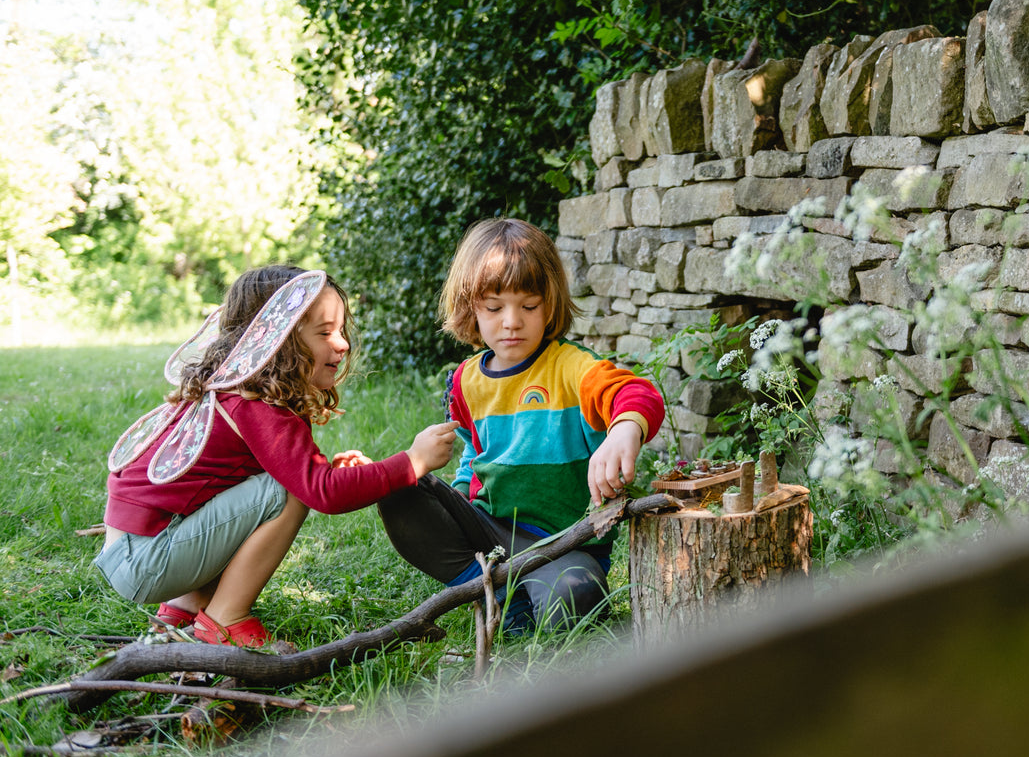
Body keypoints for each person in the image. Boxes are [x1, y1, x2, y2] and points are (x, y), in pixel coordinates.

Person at [97, 265, 456, 648]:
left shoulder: (232, 388)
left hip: (135, 552)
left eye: (340, 330)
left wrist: (327, 472)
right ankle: (224, 619)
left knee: (281, 484)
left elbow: (254, 480)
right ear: (279, 341)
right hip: (146, 561)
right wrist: (413, 461)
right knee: (286, 492)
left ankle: (186, 605)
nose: (342, 344)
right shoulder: (256, 404)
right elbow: (322, 492)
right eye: (325, 333)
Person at [379, 218, 664, 634]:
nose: (512, 321)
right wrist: (456, 503)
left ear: (549, 305)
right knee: (397, 487)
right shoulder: (465, 381)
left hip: (565, 546)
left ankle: (515, 600)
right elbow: (475, 453)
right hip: (490, 532)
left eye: (528, 306)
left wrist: (624, 430)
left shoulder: (572, 367)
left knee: (576, 596)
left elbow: (637, 393)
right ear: (471, 307)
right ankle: (497, 594)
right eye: (495, 308)